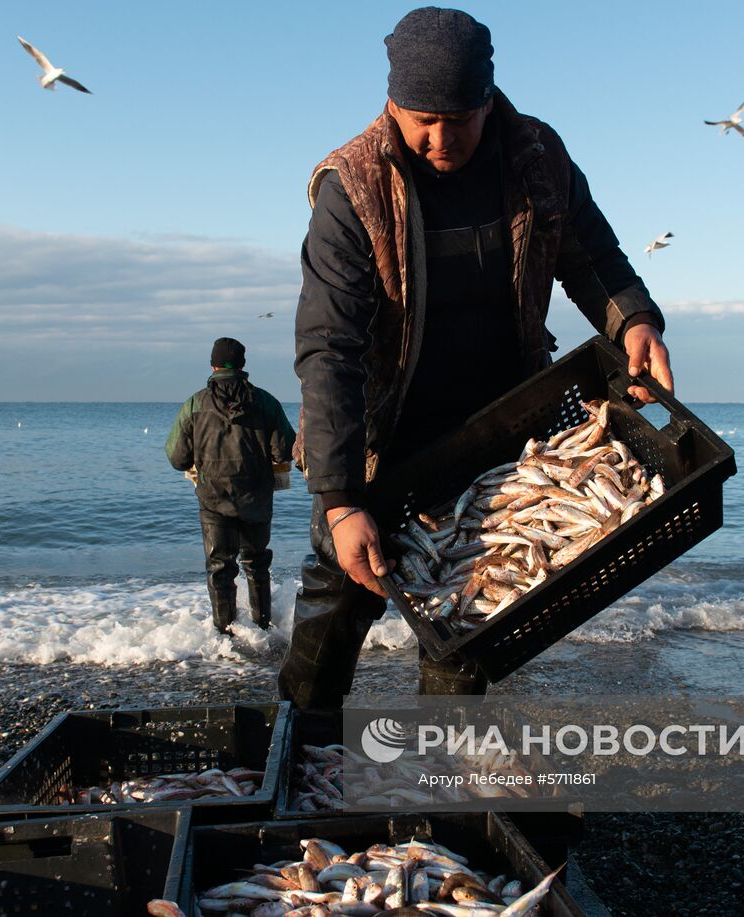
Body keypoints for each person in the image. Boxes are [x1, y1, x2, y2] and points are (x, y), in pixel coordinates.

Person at [281, 7, 674, 708]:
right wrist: (340, 501)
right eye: (422, 118)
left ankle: (438, 780)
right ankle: (303, 745)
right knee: (340, 597)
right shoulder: (353, 189)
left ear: (488, 100)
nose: (441, 138)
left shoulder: (536, 156)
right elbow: (328, 348)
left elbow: (591, 255)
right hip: (383, 438)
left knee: (472, 615)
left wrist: (635, 321)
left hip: (502, 431)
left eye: (459, 117)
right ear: (393, 103)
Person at [166, 337, 296, 633]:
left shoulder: (194, 404)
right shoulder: (265, 402)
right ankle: (263, 629)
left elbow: (177, 457)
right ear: (243, 365)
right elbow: (284, 450)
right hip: (257, 498)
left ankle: (224, 635)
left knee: (220, 568)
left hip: (213, 500)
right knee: (257, 564)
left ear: (212, 365)